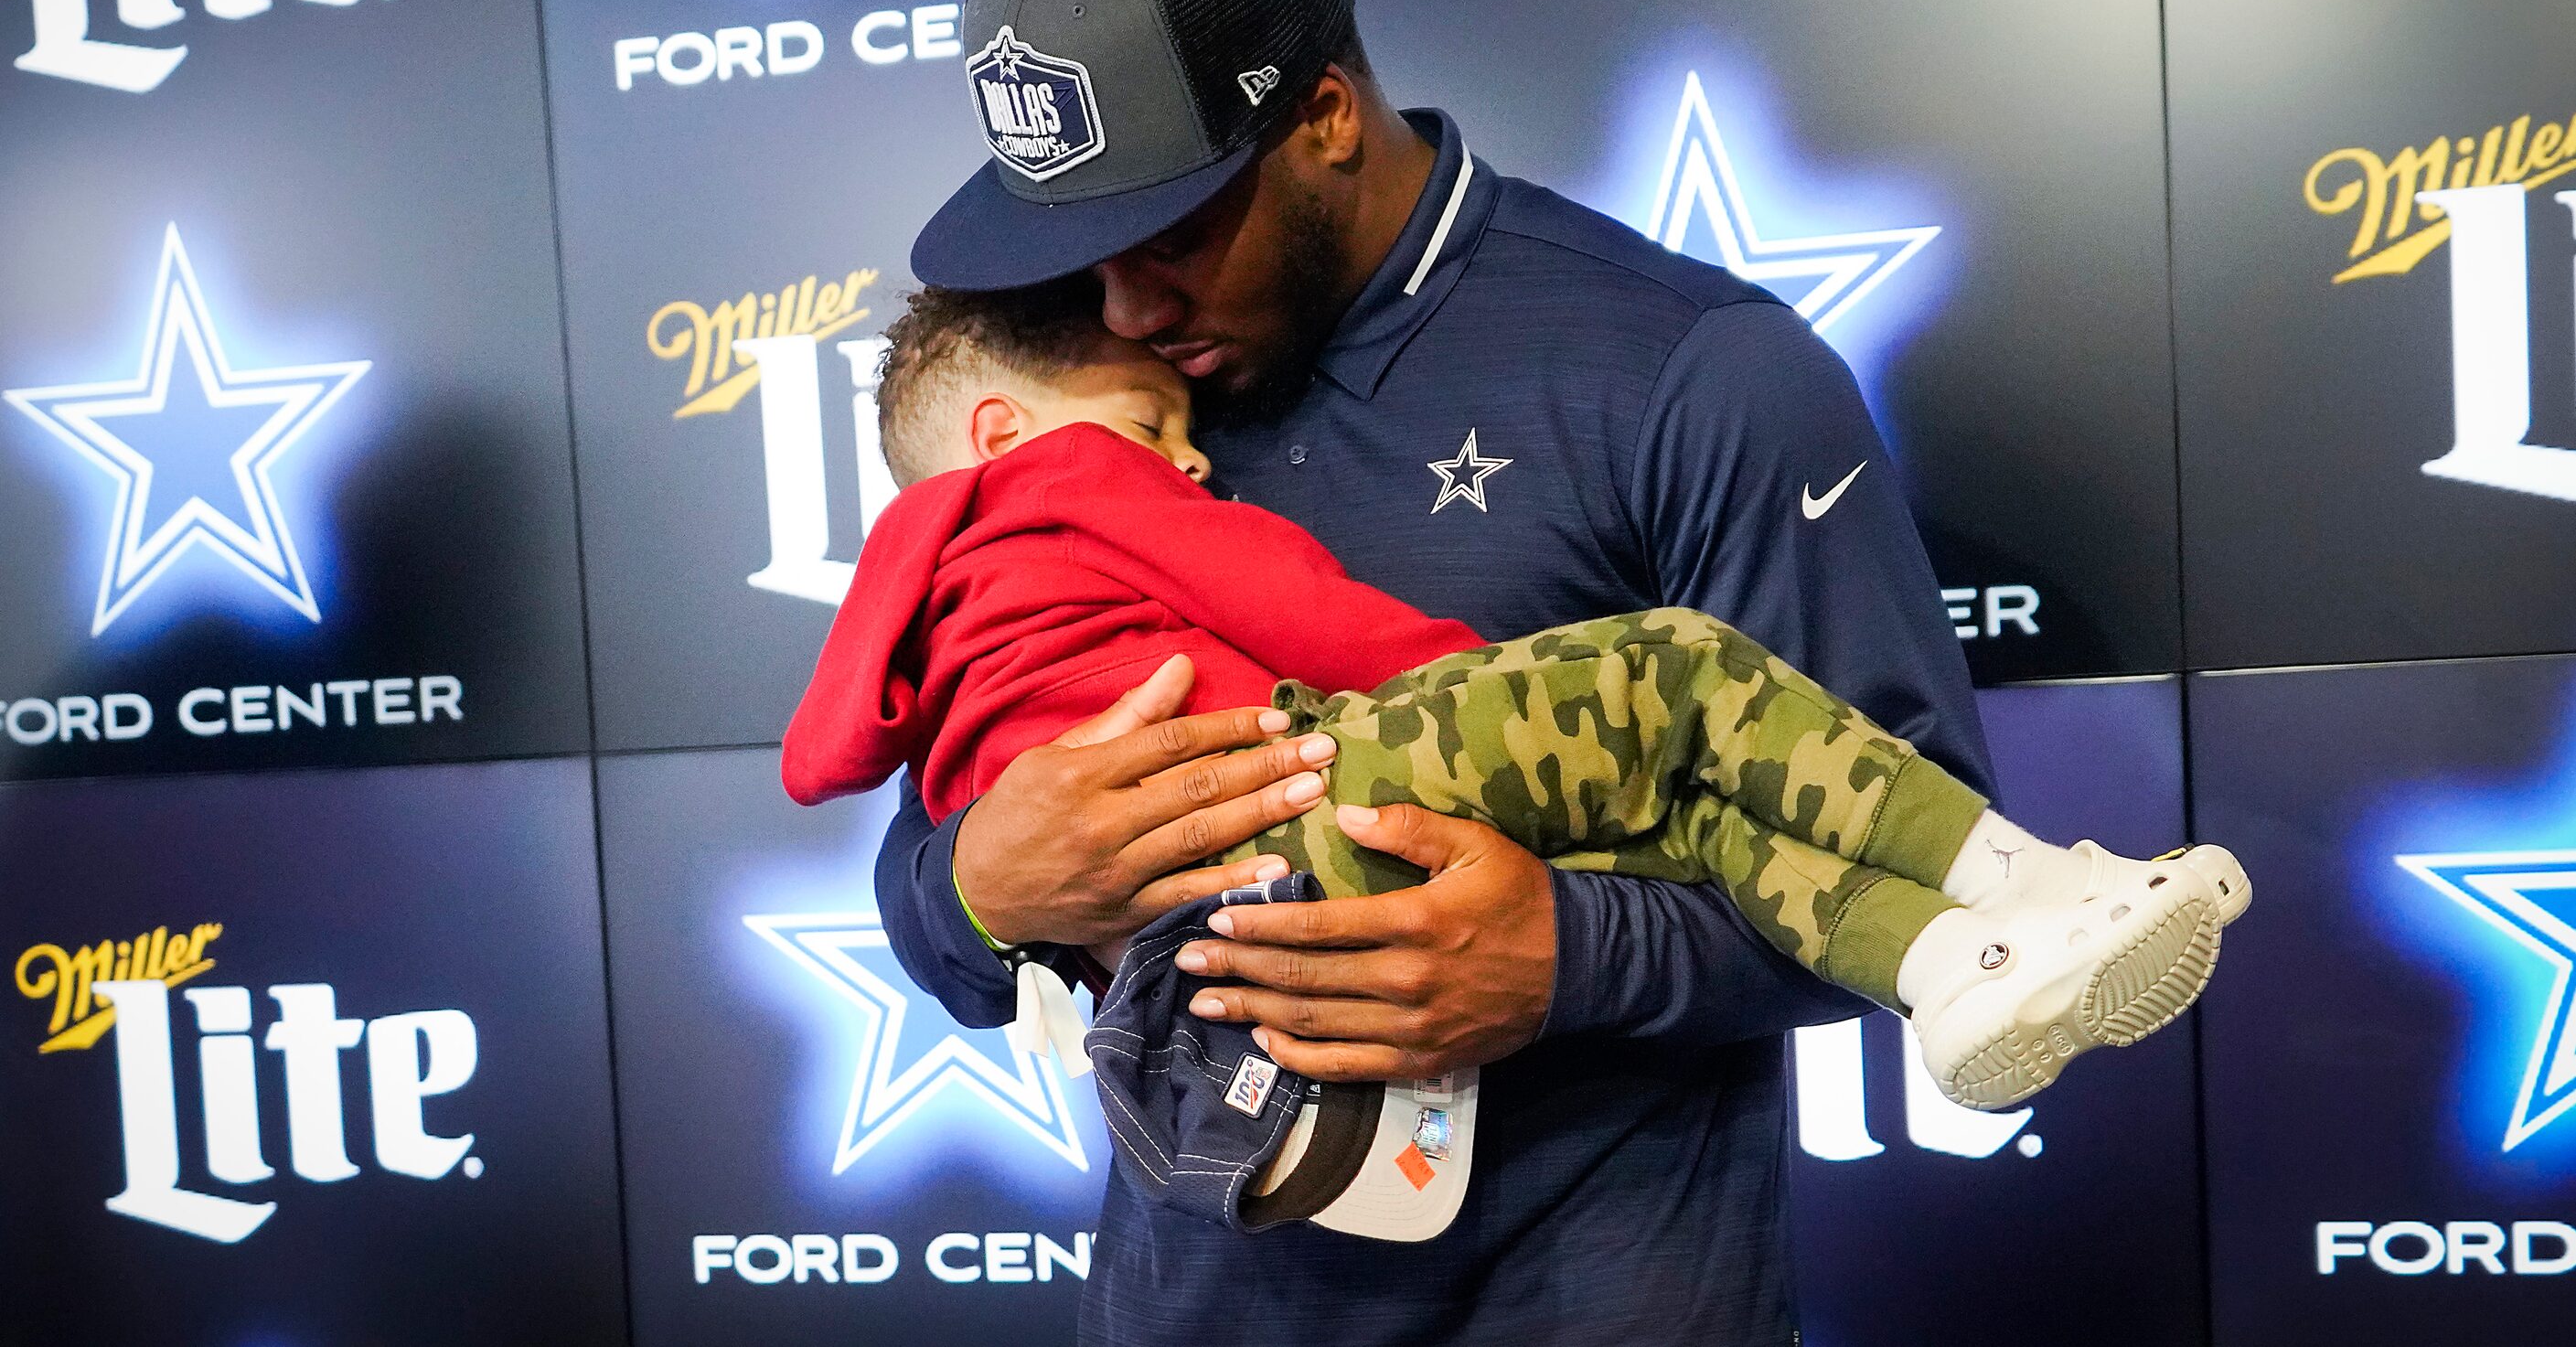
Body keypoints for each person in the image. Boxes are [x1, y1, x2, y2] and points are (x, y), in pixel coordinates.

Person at [862, 0, 2021, 1342]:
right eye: (1080, 254)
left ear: (1322, 120)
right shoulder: (1069, 389)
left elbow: (1909, 842)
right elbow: (934, 836)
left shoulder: (1691, 368)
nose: (1127, 310)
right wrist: (975, 885)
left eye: (1167, 233)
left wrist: (1565, 955)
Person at [787, 285, 2249, 1113]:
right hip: (1317, 779)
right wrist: (1480, 683)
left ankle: (1948, 967)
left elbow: (825, 765)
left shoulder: (916, 610)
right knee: (1675, 683)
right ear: (1004, 432)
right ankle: (2034, 881)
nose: (1189, 457)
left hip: (1222, 952)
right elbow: (1297, 607)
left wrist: (982, 865)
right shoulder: (1065, 477)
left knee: (1698, 828)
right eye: (1152, 421)